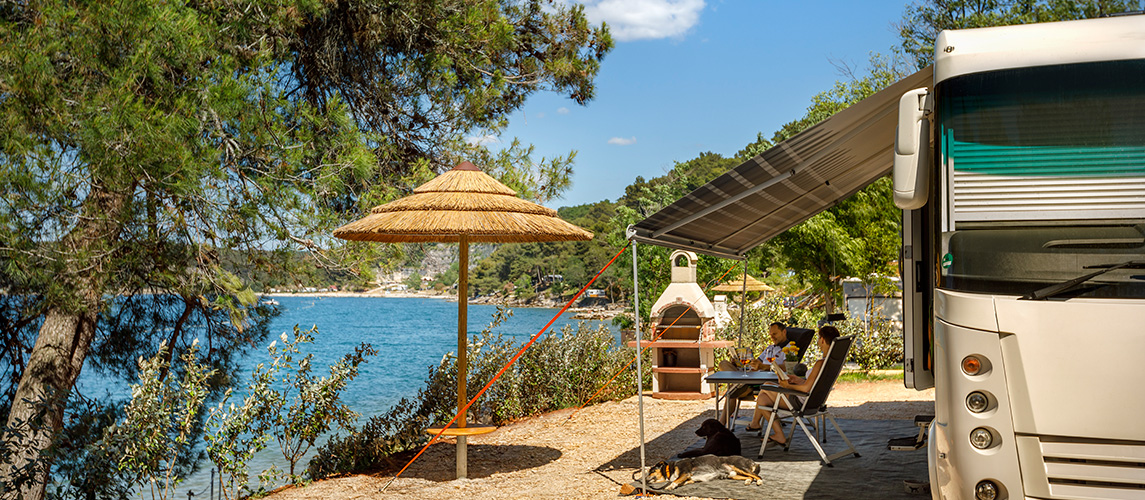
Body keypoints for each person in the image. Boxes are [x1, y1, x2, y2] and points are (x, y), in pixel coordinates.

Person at [743, 325, 841, 447]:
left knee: (766, 386)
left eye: (818, 338)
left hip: (801, 402)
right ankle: (776, 434)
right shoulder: (830, 362)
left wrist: (787, 386)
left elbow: (806, 389)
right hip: (814, 401)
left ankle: (768, 429)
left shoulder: (820, 363)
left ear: (822, 340)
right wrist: (798, 380)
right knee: (762, 399)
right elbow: (812, 385)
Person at [717, 322, 792, 425]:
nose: (772, 337)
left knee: (731, 392)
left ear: (784, 332)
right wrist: (740, 363)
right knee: (723, 363)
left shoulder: (790, 349)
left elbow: (786, 367)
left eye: (774, 334)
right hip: (752, 376)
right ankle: (739, 382)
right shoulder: (769, 348)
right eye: (770, 335)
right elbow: (757, 363)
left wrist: (763, 367)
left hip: (762, 382)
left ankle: (720, 424)